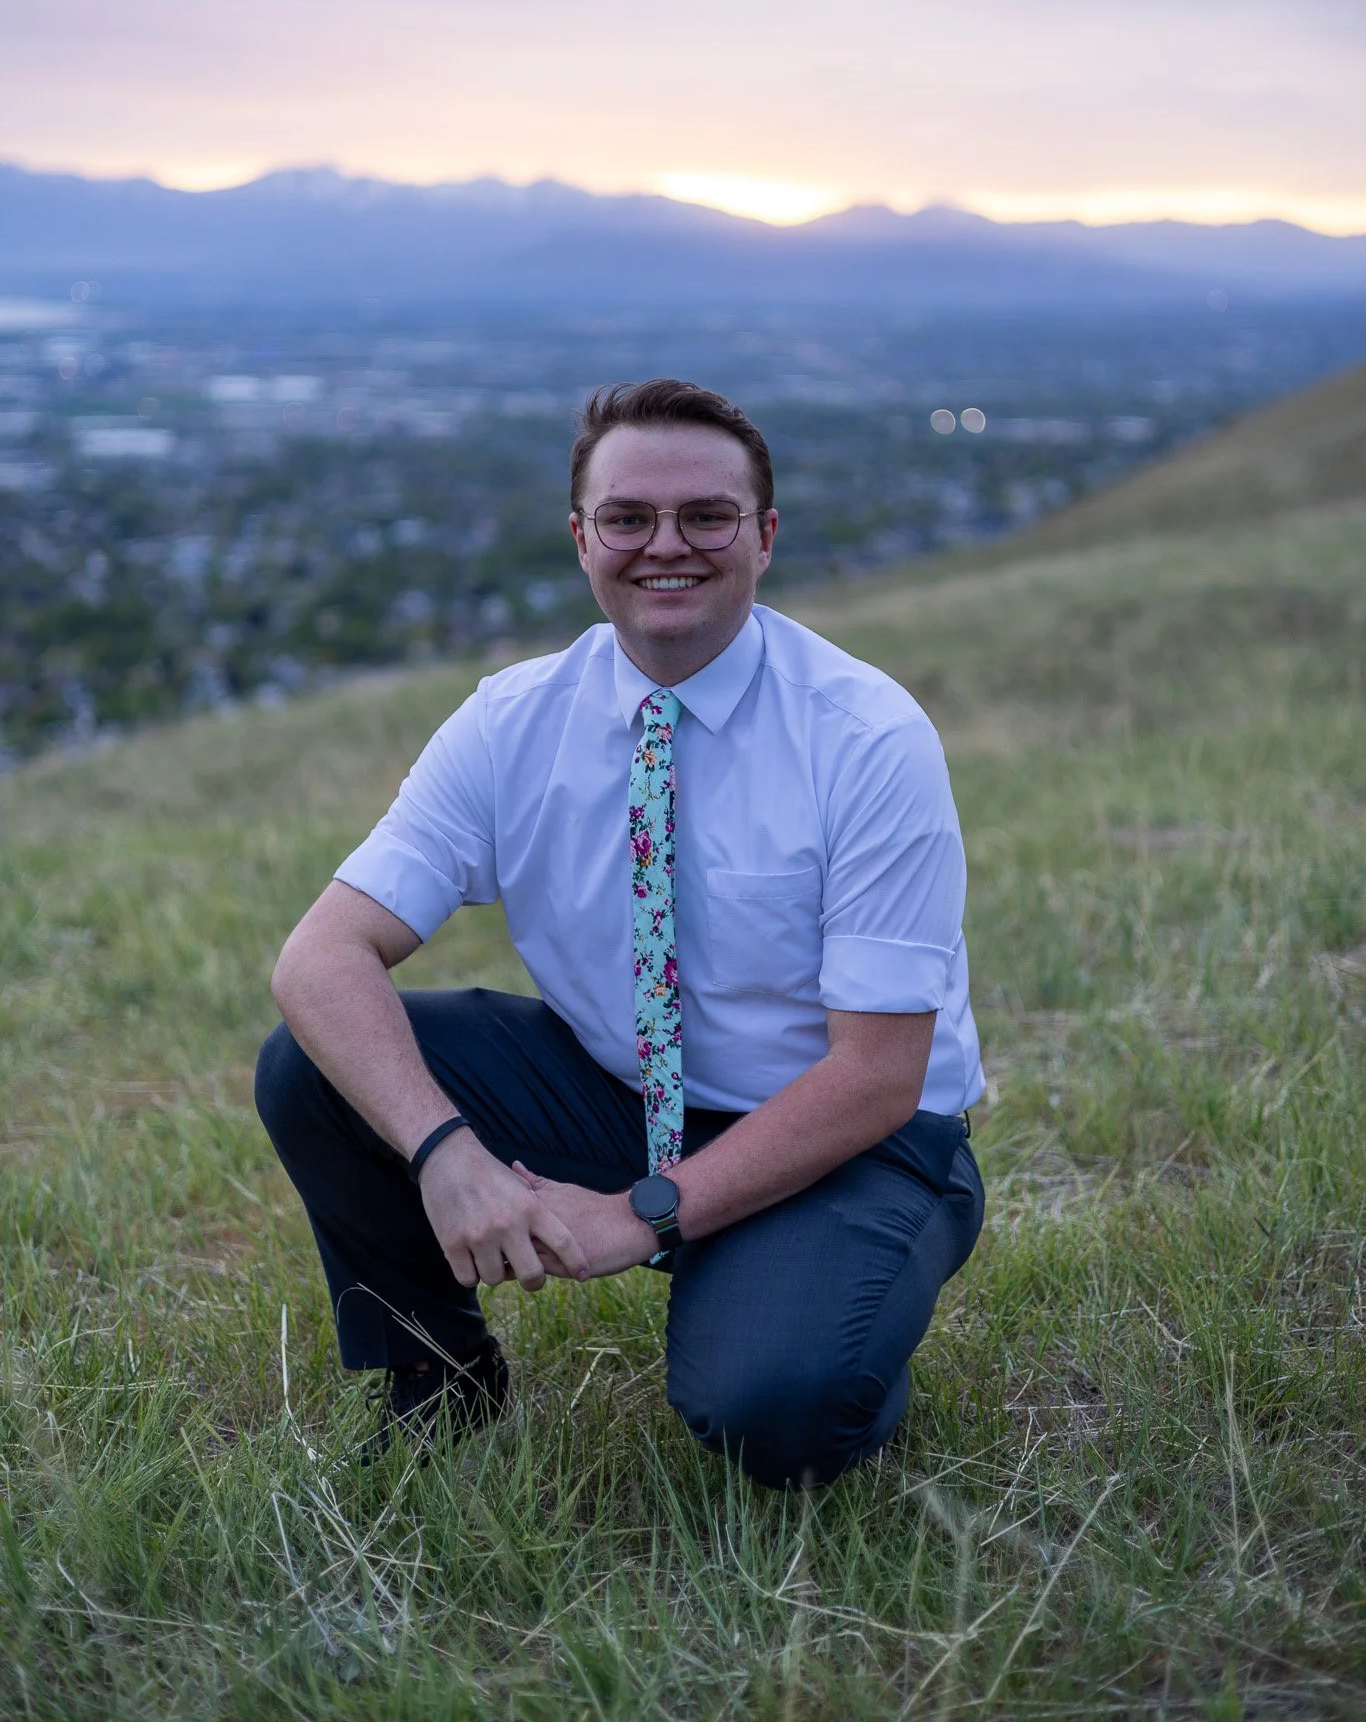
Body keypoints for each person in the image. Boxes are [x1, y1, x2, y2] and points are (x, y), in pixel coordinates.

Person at [256, 378, 985, 1488]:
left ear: (765, 534)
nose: (666, 546)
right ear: (582, 536)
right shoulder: (514, 719)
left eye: (707, 515)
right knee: (314, 1061)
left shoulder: (866, 737)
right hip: (624, 1090)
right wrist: (445, 1153)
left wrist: (643, 1216)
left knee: (773, 1412)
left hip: (854, 1140)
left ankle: (818, 1302)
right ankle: (438, 1385)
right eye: (628, 517)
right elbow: (318, 956)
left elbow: (879, 1076)